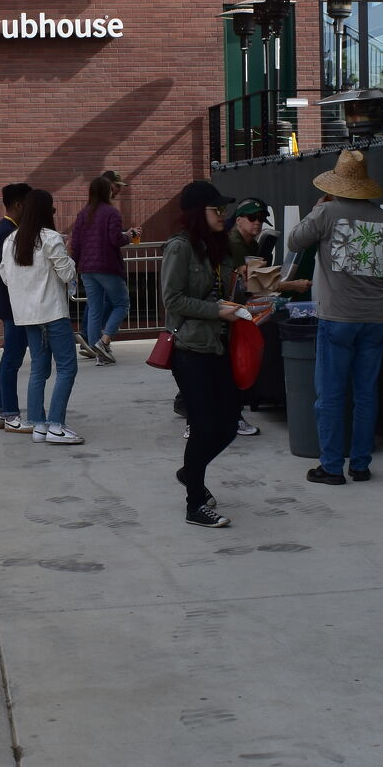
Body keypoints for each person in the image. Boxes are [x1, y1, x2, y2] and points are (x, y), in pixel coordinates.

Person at [287, 150, 383, 485]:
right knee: (366, 394)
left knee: (329, 394)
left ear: (337, 184)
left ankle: (330, 466)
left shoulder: (326, 212)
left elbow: (295, 241)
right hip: (373, 319)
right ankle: (360, 464)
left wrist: (315, 211)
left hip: (335, 318)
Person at [163, 180, 246, 527]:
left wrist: (242, 299)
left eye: (224, 210)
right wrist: (217, 311)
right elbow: (173, 300)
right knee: (203, 425)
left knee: (228, 424)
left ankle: (190, 471)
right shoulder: (180, 248)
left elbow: (221, 294)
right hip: (190, 347)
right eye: (217, 210)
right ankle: (194, 503)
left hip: (219, 345)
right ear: (200, 212)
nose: (223, 215)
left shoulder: (219, 248)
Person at [0, 188, 83, 445]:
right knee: (67, 367)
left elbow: (5, 275)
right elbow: (67, 274)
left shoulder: (11, 240)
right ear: (47, 211)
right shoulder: (51, 238)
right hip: (53, 312)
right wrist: (69, 255)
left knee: (39, 368)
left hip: (27, 315)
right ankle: (56, 425)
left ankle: (38, 425)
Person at [67, 176, 136, 365]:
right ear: (107, 191)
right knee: (122, 303)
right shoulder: (112, 213)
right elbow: (115, 239)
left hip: (86, 269)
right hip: (107, 266)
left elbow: (76, 243)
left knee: (95, 309)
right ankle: (104, 342)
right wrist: (128, 236)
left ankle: (96, 351)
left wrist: (76, 265)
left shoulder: (83, 214)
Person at [0, 182, 33, 430]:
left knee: (9, 357)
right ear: (18, 204)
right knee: (12, 359)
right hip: (13, 304)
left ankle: (1, 409)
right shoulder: (9, 231)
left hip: (8, 303)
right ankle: (10, 414)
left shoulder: (4, 228)